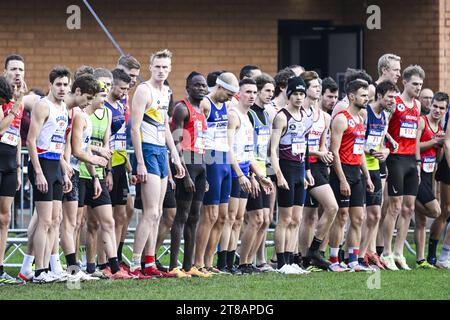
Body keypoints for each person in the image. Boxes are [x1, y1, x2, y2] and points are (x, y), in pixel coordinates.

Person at [130, 49, 185, 277]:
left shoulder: (167, 91)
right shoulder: (144, 90)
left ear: (170, 68)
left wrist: (175, 157)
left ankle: (150, 262)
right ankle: (134, 264)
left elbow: (164, 127)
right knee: (151, 212)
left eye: (165, 67)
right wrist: (140, 162)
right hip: (148, 152)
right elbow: (134, 128)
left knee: (159, 212)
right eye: (158, 66)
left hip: (162, 151)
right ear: (150, 67)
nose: (161, 70)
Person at [193, 72, 239, 274]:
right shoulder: (205, 104)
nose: (231, 98)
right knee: (209, 215)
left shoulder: (227, 105)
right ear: (219, 87)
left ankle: (210, 262)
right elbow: (196, 136)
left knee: (222, 217)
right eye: (229, 94)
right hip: (210, 161)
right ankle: (198, 262)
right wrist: (200, 169)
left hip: (224, 160)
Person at [328, 79, 374, 272]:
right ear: (351, 96)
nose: (367, 99)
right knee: (341, 216)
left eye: (367, 95)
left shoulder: (361, 119)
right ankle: (333, 260)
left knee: (358, 218)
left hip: (357, 172)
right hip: (343, 171)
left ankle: (353, 259)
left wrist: (368, 177)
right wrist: (342, 179)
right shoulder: (341, 118)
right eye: (363, 95)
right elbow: (334, 151)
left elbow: (360, 150)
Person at [381, 65, 424, 271]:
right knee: (394, 207)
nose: (418, 87)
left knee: (409, 208)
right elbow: (382, 128)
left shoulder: (417, 105)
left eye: (421, 84)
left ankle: (399, 253)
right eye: (415, 83)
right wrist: (386, 148)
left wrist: (417, 162)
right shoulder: (394, 102)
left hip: (410, 160)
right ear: (404, 82)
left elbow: (415, 136)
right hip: (395, 158)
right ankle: (386, 252)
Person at [270, 76, 313, 274]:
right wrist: (278, 174)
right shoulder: (282, 116)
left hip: (299, 171)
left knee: (297, 219)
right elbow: (273, 150)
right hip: (286, 169)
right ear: (288, 95)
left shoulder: (306, 117)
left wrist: (306, 172)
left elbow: (304, 146)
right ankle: (281, 263)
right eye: (295, 93)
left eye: (301, 94)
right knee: (285, 219)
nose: (298, 97)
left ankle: (291, 260)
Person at [168, 72, 209, 278]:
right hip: (187, 163)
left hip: (201, 164)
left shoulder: (201, 110)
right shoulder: (182, 108)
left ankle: (188, 265)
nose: (201, 88)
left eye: (203, 86)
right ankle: (173, 266)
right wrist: (184, 174)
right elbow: (176, 142)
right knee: (182, 216)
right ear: (188, 87)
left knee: (195, 217)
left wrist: (205, 176)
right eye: (197, 85)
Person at [300, 72, 338, 271]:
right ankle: (305, 254)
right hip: (303, 164)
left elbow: (323, 145)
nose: (317, 90)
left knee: (320, 212)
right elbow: (298, 143)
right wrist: (317, 152)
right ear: (305, 89)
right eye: (314, 86)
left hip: (319, 166)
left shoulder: (324, 116)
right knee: (310, 214)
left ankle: (312, 253)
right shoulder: (300, 113)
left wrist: (326, 154)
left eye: (318, 86)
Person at [358, 80, 398, 269]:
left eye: (394, 97)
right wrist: (370, 152)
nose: (392, 101)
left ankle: (366, 253)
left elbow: (381, 142)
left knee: (374, 214)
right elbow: (358, 143)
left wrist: (386, 152)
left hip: (376, 167)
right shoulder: (366, 113)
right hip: (361, 167)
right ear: (380, 95)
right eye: (389, 97)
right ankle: (352, 255)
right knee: (358, 215)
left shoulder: (385, 115)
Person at [414, 92, 447, 269]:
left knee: (420, 222)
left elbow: (439, 158)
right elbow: (414, 145)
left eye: (441, 108)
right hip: (416, 171)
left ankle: (420, 260)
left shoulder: (441, 128)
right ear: (430, 105)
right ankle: (409, 201)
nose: (437, 110)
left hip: (428, 174)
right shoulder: (422, 121)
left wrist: (441, 145)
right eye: (435, 106)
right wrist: (434, 141)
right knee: (435, 211)